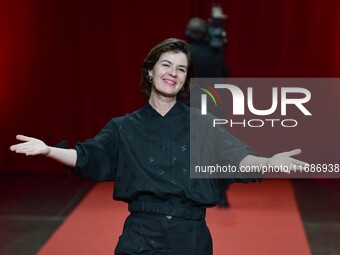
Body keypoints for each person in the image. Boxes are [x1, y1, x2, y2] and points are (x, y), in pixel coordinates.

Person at [10, 38, 307, 255]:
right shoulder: (124, 126)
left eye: (181, 69)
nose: (172, 73)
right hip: (140, 237)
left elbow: (236, 159)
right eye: (166, 64)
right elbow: (88, 156)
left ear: (185, 80)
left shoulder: (202, 124)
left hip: (190, 238)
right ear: (150, 71)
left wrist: (269, 161)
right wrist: (48, 150)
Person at [185, 17, 231, 208]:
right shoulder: (215, 53)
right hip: (216, 105)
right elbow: (226, 76)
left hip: (192, 106)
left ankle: (190, 192)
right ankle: (221, 195)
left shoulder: (185, 54)